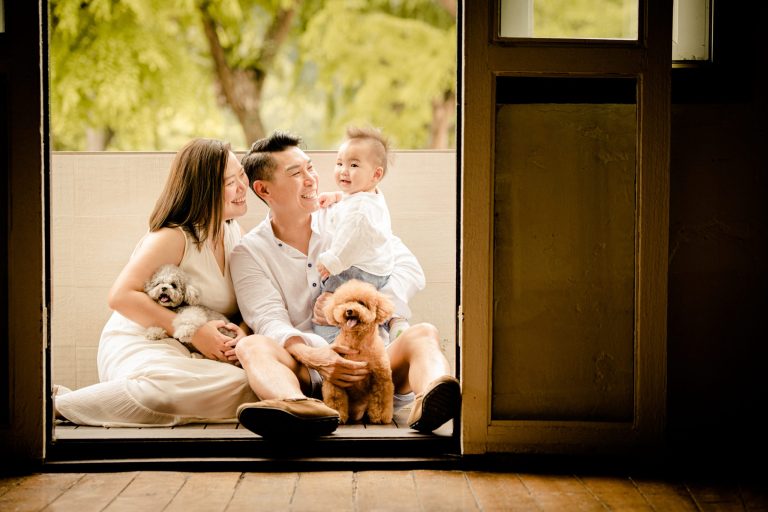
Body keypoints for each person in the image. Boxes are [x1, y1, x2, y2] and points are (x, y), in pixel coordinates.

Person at [230, 130, 461, 438]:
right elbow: (268, 318)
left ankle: (430, 400)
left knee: (423, 333)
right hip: (310, 371)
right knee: (250, 345)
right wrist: (316, 357)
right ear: (264, 189)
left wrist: (358, 305)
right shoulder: (249, 252)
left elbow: (407, 267)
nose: (312, 178)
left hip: (372, 357)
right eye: (296, 173)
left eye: (310, 167)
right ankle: (299, 409)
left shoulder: (350, 213)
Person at [54, 138, 258, 426]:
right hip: (145, 342)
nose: (243, 187)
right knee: (161, 394)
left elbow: (246, 305)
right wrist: (194, 332)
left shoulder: (235, 233)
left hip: (193, 354)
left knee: (251, 384)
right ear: (204, 190)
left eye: (241, 175)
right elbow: (120, 297)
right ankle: (60, 405)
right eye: (230, 182)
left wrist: (241, 334)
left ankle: (95, 401)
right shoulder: (174, 237)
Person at [311, 126, 407, 343]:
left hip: (358, 271)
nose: (344, 170)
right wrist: (336, 196)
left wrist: (332, 261)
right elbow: (353, 201)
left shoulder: (360, 213)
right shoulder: (367, 195)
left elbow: (349, 240)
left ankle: (336, 338)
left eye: (353, 165)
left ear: (376, 174)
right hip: (377, 268)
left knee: (331, 304)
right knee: (365, 304)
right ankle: (392, 322)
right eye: (339, 163)